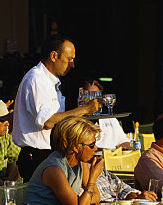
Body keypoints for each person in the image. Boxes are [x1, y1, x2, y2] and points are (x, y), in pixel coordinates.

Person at [12, 36, 100, 181]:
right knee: (47, 201)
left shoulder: (50, 81)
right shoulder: (36, 79)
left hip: (51, 152)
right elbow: (48, 121)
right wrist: (84, 110)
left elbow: (59, 119)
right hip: (37, 154)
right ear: (54, 56)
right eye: (69, 59)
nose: (72, 65)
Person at [80, 79, 130, 150]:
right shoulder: (79, 123)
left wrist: (122, 148)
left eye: (97, 96)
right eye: (89, 96)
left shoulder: (110, 119)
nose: (94, 100)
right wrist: (109, 151)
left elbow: (125, 141)